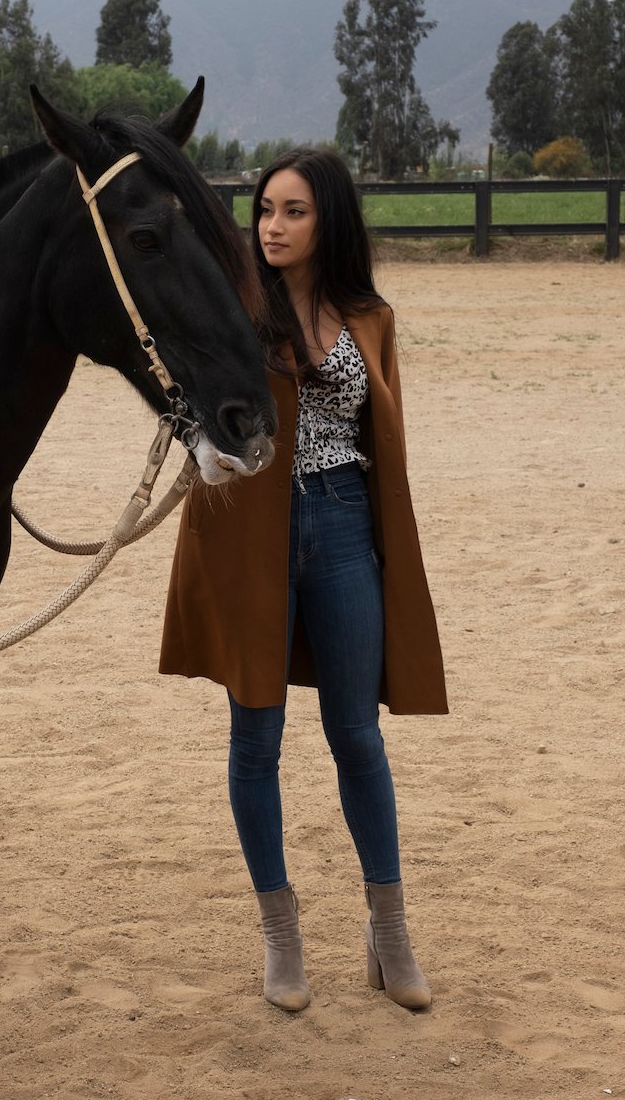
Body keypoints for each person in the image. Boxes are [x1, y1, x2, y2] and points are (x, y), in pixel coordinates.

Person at [158, 147, 447, 1013]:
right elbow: (182, 398)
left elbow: (383, 434)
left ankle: (388, 933)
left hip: (345, 523)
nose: (272, 227)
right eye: (264, 211)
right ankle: (280, 937)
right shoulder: (232, 309)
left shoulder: (369, 314)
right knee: (258, 737)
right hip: (250, 533)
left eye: (293, 212)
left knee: (357, 735)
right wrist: (197, 441)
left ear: (329, 222)